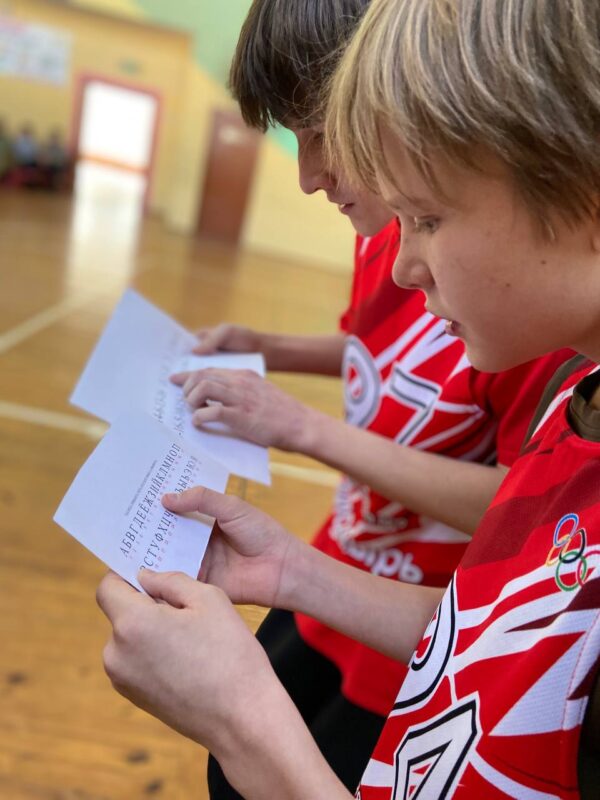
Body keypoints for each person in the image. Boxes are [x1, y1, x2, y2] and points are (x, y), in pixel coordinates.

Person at [96, 0, 600, 797]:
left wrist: (244, 724)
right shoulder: (575, 411)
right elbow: (494, 631)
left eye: (426, 216)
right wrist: (295, 572)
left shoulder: (544, 351)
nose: (402, 261)